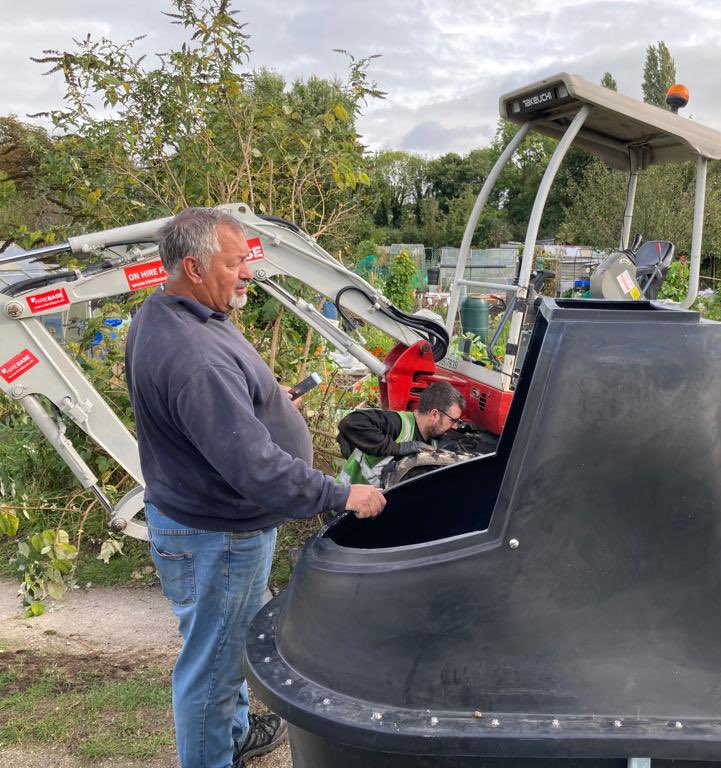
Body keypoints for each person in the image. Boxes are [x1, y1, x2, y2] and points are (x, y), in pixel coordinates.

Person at [125, 207, 386, 768]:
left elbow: (215, 418)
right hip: (217, 537)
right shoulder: (195, 356)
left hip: (200, 522)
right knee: (211, 673)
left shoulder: (169, 313)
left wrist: (264, 406)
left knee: (224, 649)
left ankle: (235, 736)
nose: (248, 273)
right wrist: (343, 494)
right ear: (193, 267)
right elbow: (257, 470)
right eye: (235, 262)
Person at [337, 381, 466, 486]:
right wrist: (397, 448)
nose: (454, 426)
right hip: (343, 504)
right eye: (452, 420)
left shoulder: (434, 440)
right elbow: (350, 422)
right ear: (434, 414)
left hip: (371, 510)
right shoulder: (398, 424)